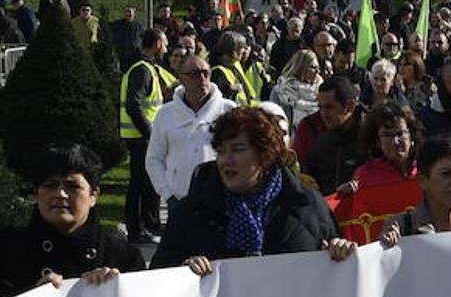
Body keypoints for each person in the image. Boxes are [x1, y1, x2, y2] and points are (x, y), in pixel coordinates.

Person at [152, 108, 354, 272]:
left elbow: (334, 273)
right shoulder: (191, 211)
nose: (226, 161)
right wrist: (182, 271)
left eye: (238, 149)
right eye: (221, 151)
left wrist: (338, 251)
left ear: (264, 155)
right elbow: (158, 276)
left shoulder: (305, 203)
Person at [0, 144, 145, 297]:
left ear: (93, 195)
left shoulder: (122, 256)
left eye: (72, 186)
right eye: (50, 185)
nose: (60, 194)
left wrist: (116, 292)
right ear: (35, 193)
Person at [145, 54, 237, 207]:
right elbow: (154, 159)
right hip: (180, 200)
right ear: (181, 78)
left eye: (206, 73)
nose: (201, 79)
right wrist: (167, 194)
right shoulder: (166, 114)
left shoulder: (228, 110)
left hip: (221, 200)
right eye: (194, 73)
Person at [118, 29, 174, 244]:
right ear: (158, 43)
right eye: (166, 44)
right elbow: (134, 104)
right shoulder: (142, 70)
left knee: (144, 184)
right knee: (141, 185)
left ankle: (147, 226)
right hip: (141, 138)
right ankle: (138, 229)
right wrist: (150, 134)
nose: (167, 49)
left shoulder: (145, 67)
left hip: (141, 136)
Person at [305, 76, 367, 195]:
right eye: (320, 107)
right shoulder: (320, 144)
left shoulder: (372, 141)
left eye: (329, 107)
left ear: (350, 106)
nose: (323, 114)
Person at [351, 102, 423, 192]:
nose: (395, 141)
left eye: (400, 133)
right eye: (387, 135)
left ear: (411, 135)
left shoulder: (427, 169)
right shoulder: (364, 176)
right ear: (377, 141)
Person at [272, 49, 324, 126]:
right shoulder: (281, 90)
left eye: (318, 67)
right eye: (313, 67)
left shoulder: (323, 90)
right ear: (300, 67)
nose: (317, 71)